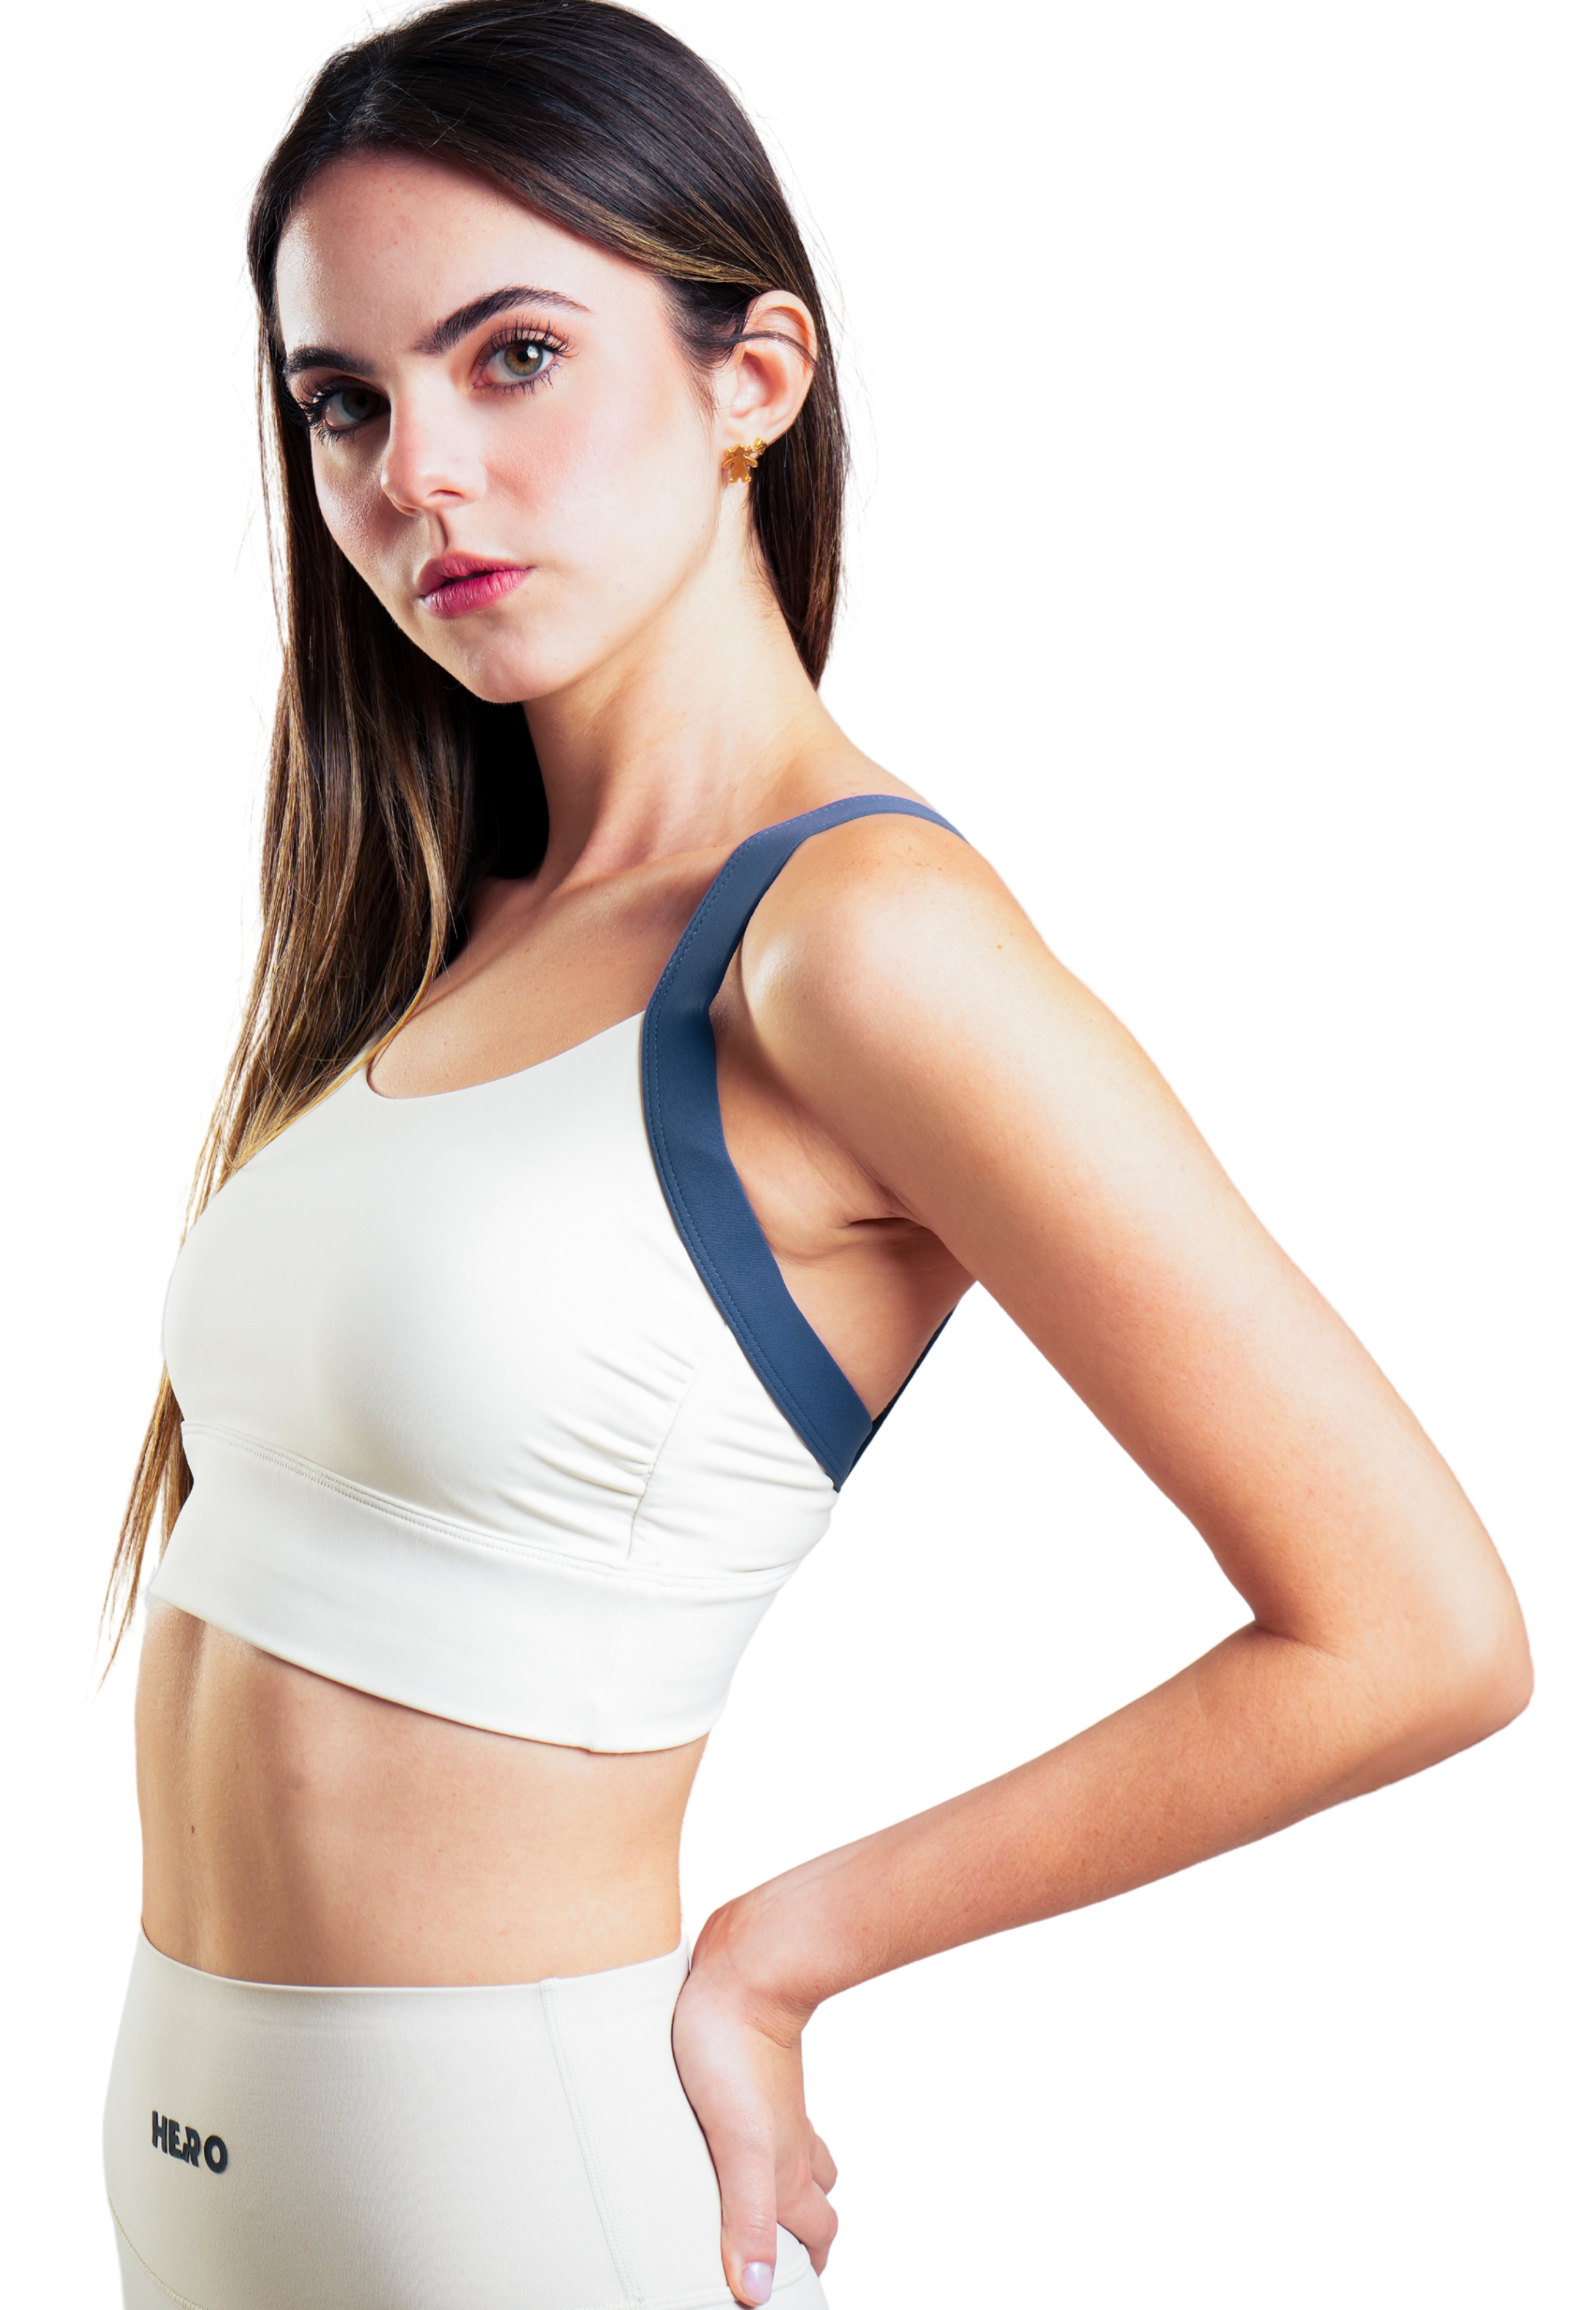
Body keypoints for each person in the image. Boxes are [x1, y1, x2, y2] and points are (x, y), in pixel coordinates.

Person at [100, 5, 1531, 2304]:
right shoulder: (456, 925)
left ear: (753, 376)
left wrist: (786, 1950)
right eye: (342, 402)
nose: (416, 472)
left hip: (507, 2184)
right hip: (208, 2160)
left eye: (513, 357)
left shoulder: (859, 947)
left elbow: (1416, 1632)